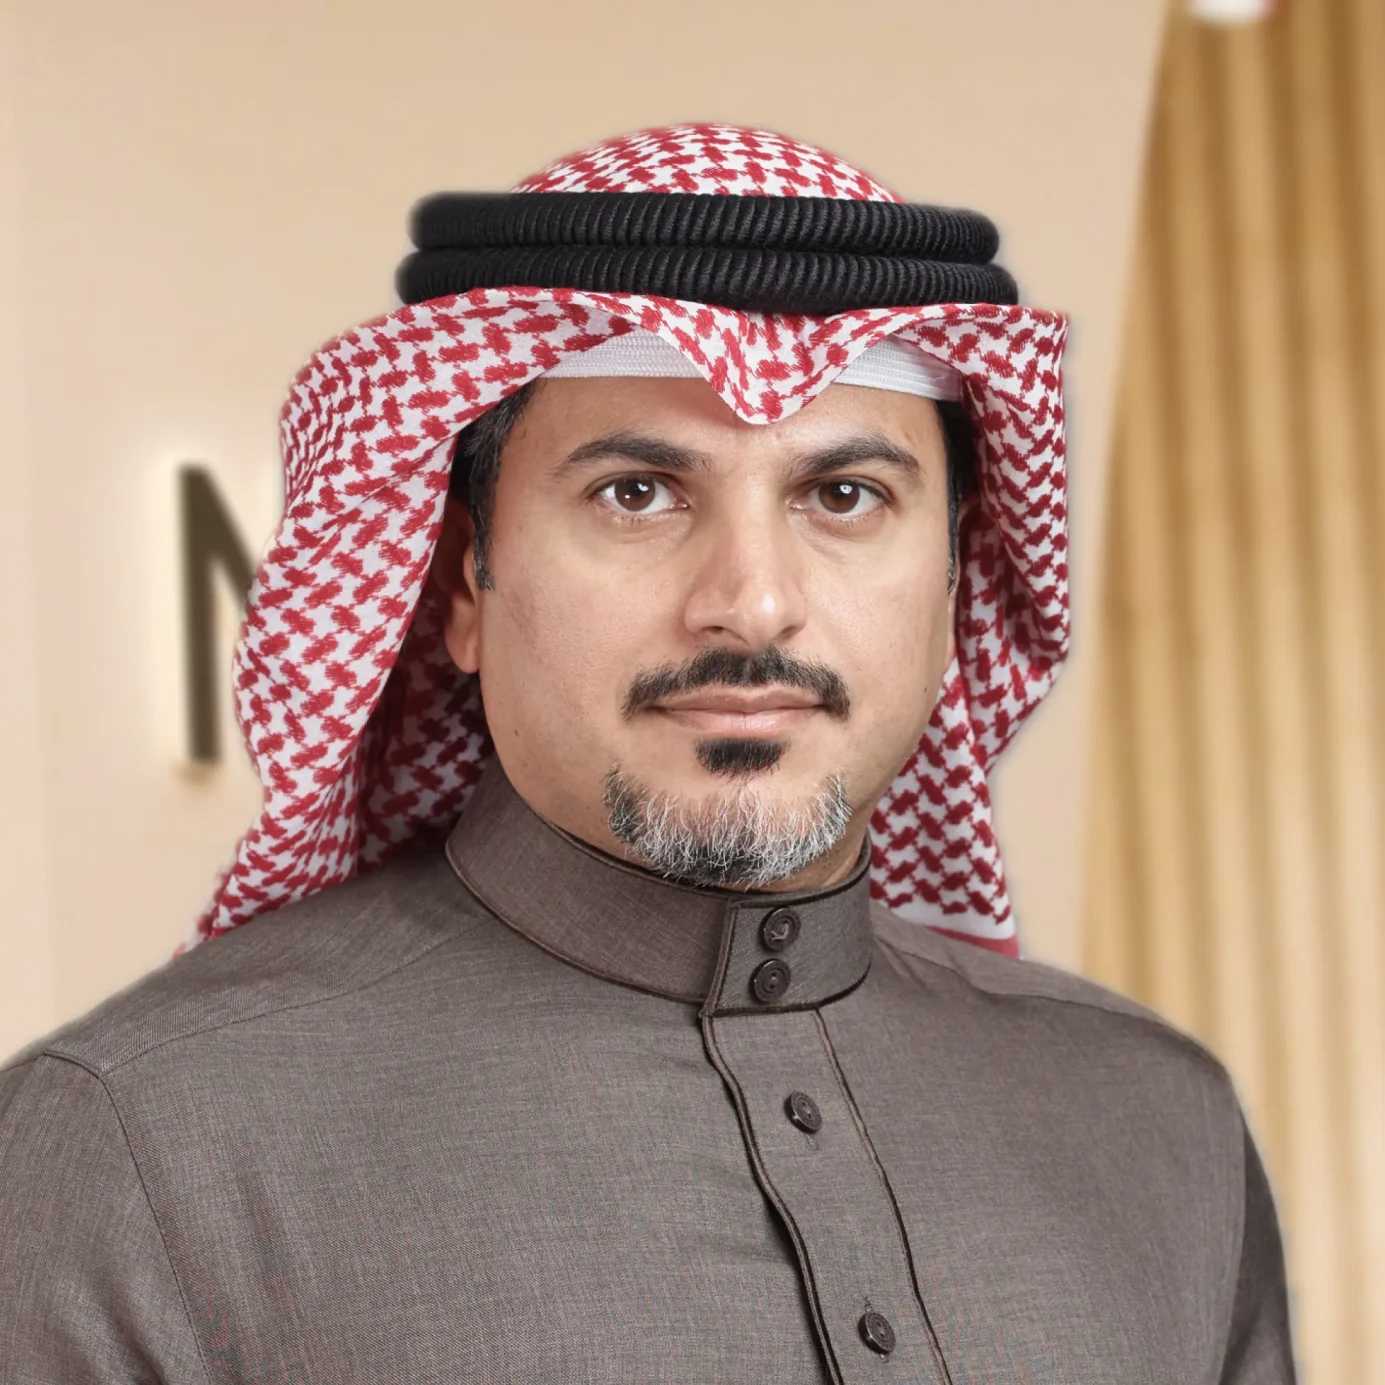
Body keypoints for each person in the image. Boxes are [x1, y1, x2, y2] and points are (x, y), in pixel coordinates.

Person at [0, 125, 1295, 1383]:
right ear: (462, 582)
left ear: (957, 581)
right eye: (637, 494)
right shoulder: (139, 1150)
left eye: (843, 496)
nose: (753, 604)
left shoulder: (1158, 1122)